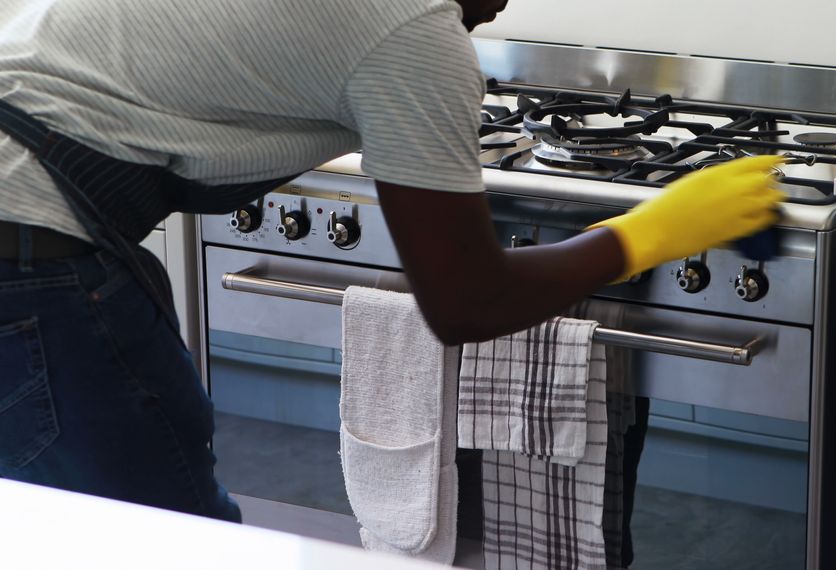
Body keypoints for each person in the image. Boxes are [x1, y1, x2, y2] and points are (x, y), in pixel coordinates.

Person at [0, 0, 783, 522]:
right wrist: (654, 233)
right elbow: (466, 302)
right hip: (29, 247)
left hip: (29, 222)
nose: (499, 9)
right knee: (169, 544)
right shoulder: (409, 29)